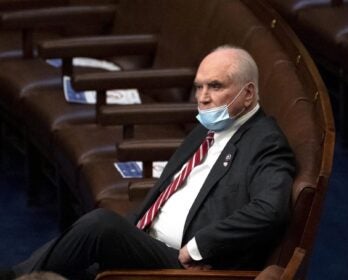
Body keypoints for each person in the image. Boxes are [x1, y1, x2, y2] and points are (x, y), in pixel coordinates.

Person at [3, 45, 295, 279]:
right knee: (85, 252)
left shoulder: (266, 142)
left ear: (248, 93)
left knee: (100, 226)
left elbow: (271, 210)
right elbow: (166, 193)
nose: (203, 98)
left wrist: (199, 247)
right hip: (150, 241)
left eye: (215, 86)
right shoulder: (208, 129)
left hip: (189, 266)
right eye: (199, 87)